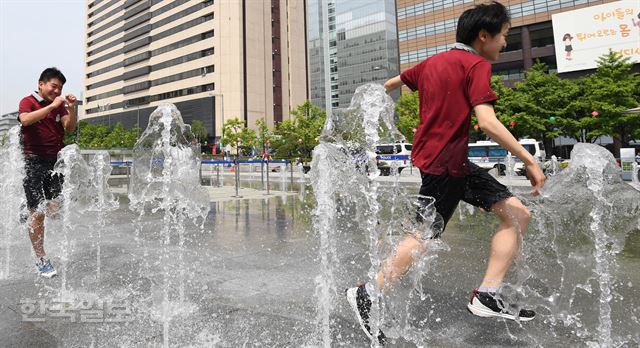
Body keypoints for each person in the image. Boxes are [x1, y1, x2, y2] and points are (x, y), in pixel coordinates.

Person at [345, 2, 546, 343]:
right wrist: (529, 160)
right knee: (423, 236)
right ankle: (369, 292)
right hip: (446, 164)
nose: (505, 44)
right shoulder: (475, 64)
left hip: (446, 161)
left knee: (516, 214)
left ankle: (487, 295)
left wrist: (371, 104)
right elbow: (487, 122)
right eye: (503, 37)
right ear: (483, 36)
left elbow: (392, 83)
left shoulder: (431, 62)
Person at [18, 67, 77, 278]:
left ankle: (27, 207)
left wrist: (72, 108)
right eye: (54, 86)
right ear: (41, 84)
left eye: (60, 88)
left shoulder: (60, 107)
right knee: (39, 214)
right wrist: (53, 105)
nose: (57, 90)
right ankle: (41, 259)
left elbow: (69, 128)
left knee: (54, 209)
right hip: (34, 162)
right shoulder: (28, 101)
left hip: (55, 163)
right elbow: (25, 120)